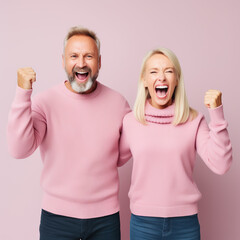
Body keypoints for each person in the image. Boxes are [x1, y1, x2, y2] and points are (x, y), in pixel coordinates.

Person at [7, 26, 130, 240]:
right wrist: (22, 93)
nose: (81, 63)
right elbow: (19, 149)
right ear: (63, 60)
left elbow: (120, 156)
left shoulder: (118, 103)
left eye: (88, 56)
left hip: (106, 219)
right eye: (74, 56)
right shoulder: (45, 102)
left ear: (99, 62)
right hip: (57, 220)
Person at [118, 48, 232, 240]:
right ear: (145, 80)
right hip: (143, 223)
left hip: (185, 224)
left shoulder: (194, 120)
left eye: (169, 71)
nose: (161, 77)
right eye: (154, 71)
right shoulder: (131, 122)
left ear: (177, 79)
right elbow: (112, 159)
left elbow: (221, 165)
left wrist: (217, 114)